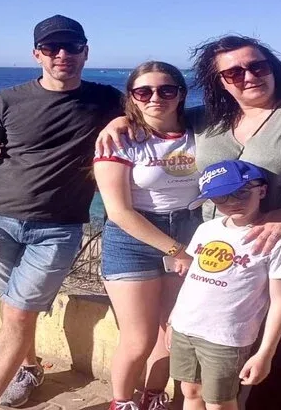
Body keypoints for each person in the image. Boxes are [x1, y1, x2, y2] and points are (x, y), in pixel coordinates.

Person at [96, 35, 281, 409]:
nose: (248, 76)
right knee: (218, 363)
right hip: (222, 261)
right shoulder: (208, 118)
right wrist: (120, 120)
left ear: (273, 68)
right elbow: (158, 116)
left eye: (256, 66)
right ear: (219, 82)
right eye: (232, 72)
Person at [0, 14, 123, 410]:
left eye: (72, 46)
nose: (62, 54)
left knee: (18, 313)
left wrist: (118, 124)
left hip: (58, 229)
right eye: (51, 47)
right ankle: (29, 367)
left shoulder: (107, 101)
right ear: (37, 54)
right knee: (11, 305)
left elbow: (159, 113)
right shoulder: (6, 101)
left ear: (86, 52)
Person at [93, 61, 203, 410]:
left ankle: (153, 396)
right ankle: (122, 401)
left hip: (188, 228)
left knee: (172, 331)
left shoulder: (199, 130)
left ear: (181, 94)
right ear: (132, 97)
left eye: (166, 90)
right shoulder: (119, 140)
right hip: (134, 239)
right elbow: (118, 211)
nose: (156, 98)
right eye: (144, 91)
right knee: (138, 338)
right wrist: (177, 250)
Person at [167, 159, 281, 410]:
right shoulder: (206, 229)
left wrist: (265, 353)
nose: (231, 202)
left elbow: (280, 302)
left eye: (241, 193)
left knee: (219, 401)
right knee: (190, 390)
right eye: (220, 197)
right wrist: (173, 319)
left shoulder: (275, 241)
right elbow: (192, 280)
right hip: (185, 327)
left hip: (226, 337)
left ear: (262, 190)